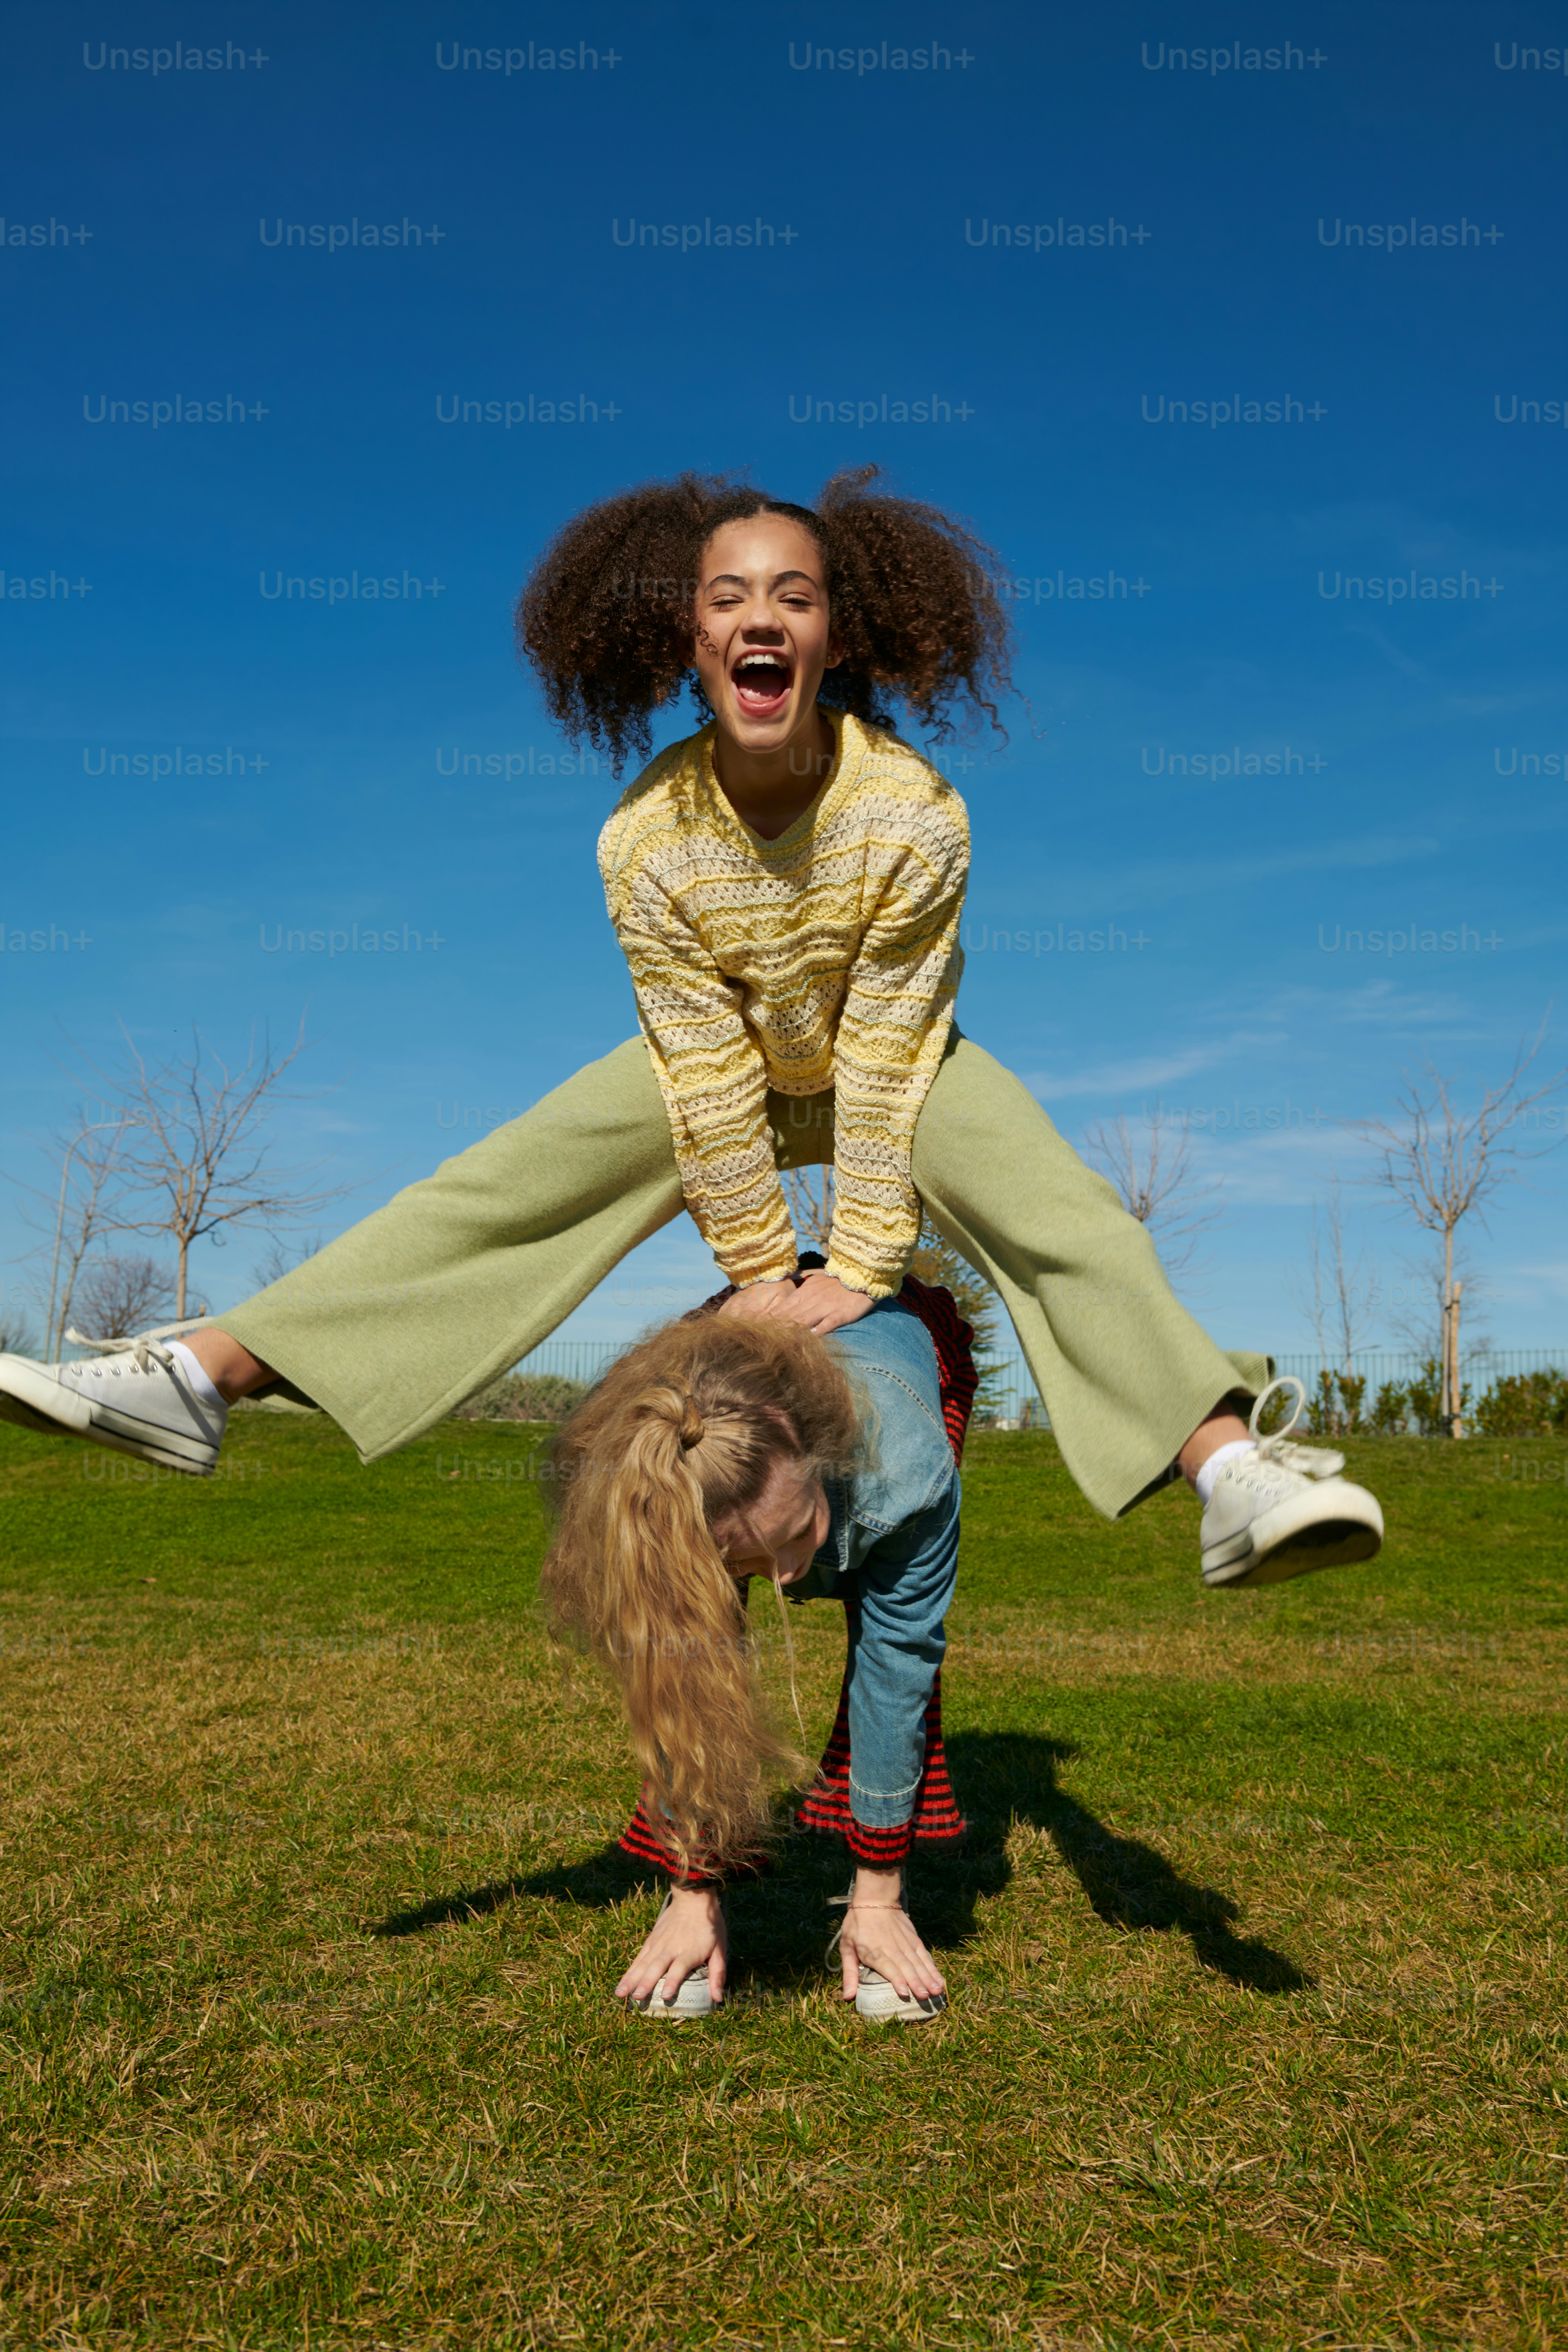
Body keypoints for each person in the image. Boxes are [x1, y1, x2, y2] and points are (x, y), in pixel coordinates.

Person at [0, 468, 1383, 1589]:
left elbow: (893, 1049)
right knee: (493, 1187)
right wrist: (759, 1268)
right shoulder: (647, 835)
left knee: (1058, 1211)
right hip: (723, 1064)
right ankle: (199, 1376)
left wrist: (863, 1259)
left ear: (840, 640)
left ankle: (1229, 1469)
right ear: (690, 640)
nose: (759, 618)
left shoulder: (915, 813)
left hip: (881, 1062)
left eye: (795, 596)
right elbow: (708, 1068)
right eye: (729, 599)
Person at [543, 1293, 961, 2023]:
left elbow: (898, 1660)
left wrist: (880, 1895)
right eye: (748, 1563)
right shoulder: (649, 1464)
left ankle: (875, 1887)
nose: (788, 1581)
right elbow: (676, 1672)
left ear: (796, 1440)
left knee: (892, 1641)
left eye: (796, 1536)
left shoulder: (910, 1470)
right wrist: (690, 1887)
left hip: (909, 1354)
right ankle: (697, 1896)